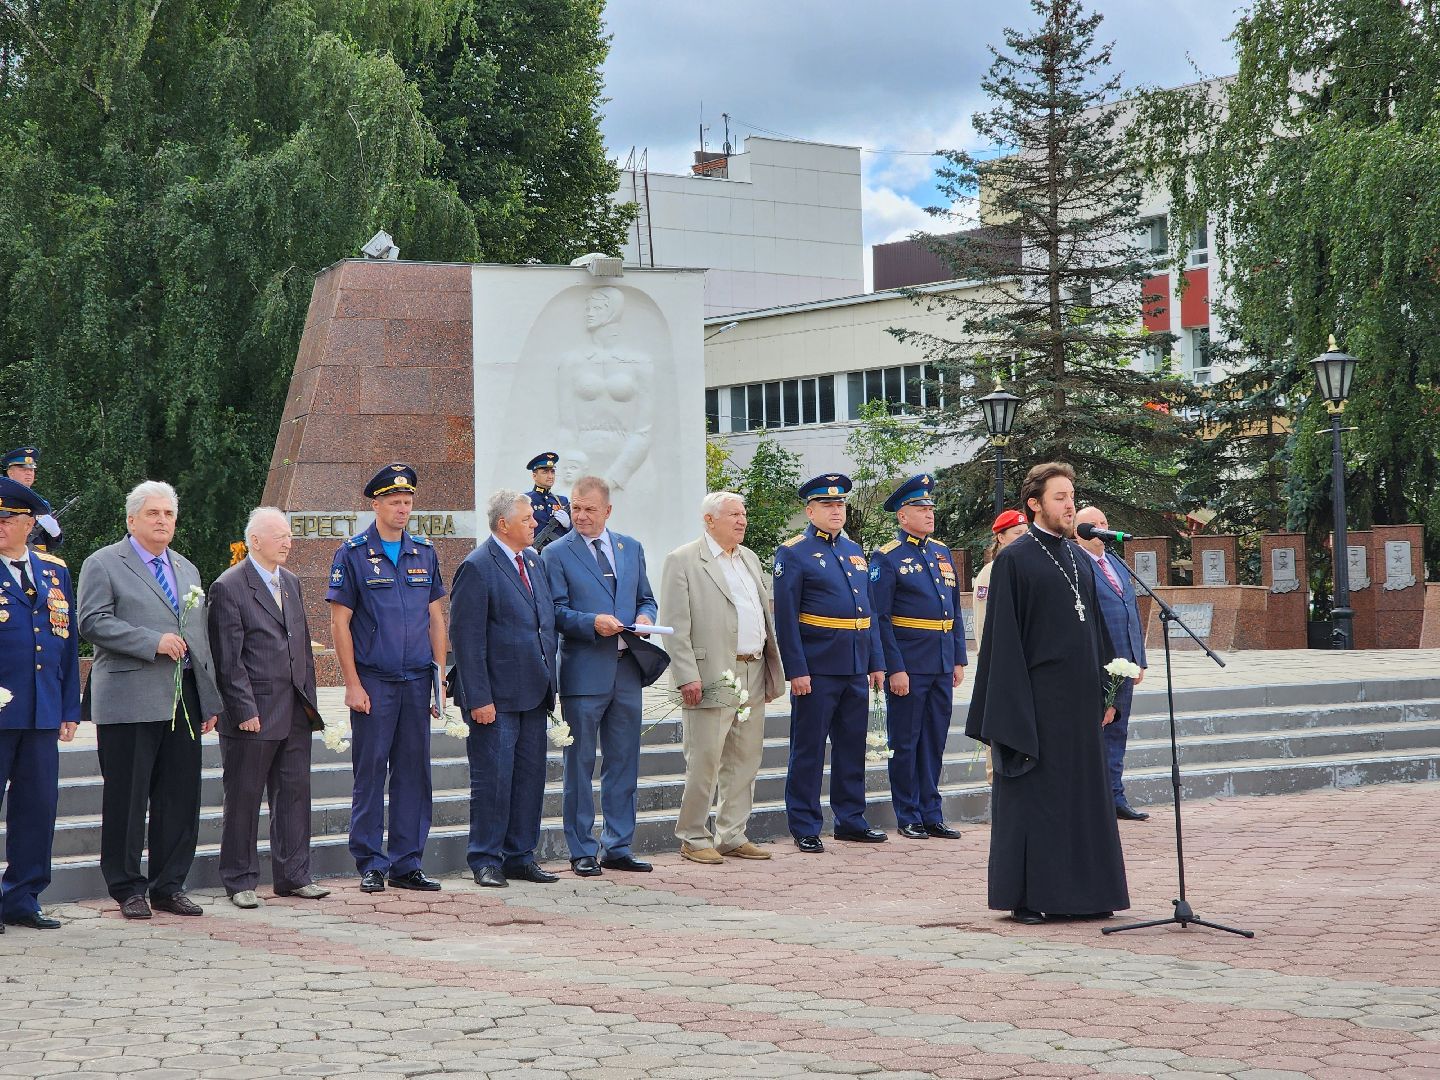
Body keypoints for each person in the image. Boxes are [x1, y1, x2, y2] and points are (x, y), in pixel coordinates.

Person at [964, 462, 1129, 925]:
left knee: (1084, 798)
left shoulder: (1079, 557)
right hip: (1035, 704)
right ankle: (1030, 895)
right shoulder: (1015, 561)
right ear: (1034, 503)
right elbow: (1003, 642)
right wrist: (1013, 713)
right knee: (1039, 800)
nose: (1070, 504)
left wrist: (1108, 689)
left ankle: (1087, 893)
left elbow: (1095, 628)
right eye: (1060, 497)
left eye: (1072, 496)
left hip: (1080, 704)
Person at [77, 480, 223, 920]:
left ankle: (168, 885)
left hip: (183, 700)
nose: (162, 521)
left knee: (180, 797)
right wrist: (150, 641)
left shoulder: (187, 569)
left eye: (169, 515)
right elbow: (92, 621)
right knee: (128, 796)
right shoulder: (103, 563)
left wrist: (209, 699)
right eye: (153, 514)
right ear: (131, 520)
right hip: (128, 696)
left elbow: (199, 637)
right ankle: (127, 887)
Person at [326, 464, 447, 894]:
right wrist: (352, 683)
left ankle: (407, 862)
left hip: (416, 680)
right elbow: (340, 623)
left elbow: (435, 618)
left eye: (408, 501)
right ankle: (370, 862)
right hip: (374, 682)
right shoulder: (354, 553)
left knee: (415, 773)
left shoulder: (424, 552)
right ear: (375, 504)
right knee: (371, 771)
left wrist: (439, 678)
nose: (402, 508)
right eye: (394, 501)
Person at [207, 507, 330, 908]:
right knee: (244, 797)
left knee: (294, 794)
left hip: (293, 710)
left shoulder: (290, 582)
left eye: (289, 535)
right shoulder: (229, 586)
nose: (287, 541)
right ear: (254, 540)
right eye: (278, 535)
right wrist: (243, 710)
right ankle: (239, 880)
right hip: (253, 714)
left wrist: (308, 702)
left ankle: (294, 875)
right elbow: (229, 659)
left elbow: (302, 648)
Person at [542, 476, 658, 876]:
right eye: (575, 507)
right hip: (583, 671)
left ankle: (618, 845)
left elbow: (646, 597)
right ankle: (582, 849)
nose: (581, 515)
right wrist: (592, 622)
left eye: (590, 509)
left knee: (624, 761)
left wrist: (645, 617)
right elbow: (554, 612)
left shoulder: (631, 548)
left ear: (608, 510)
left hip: (627, 670)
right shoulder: (556, 553)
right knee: (579, 763)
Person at [660, 492, 784, 865]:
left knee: (745, 758)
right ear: (709, 520)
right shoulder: (683, 560)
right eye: (733, 514)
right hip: (711, 675)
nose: (742, 520)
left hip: (754, 668)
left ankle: (733, 834)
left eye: (743, 513)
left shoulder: (748, 558)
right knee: (705, 759)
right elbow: (675, 626)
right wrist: (686, 676)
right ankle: (694, 836)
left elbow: (760, 614)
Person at [449, 489, 560, 888]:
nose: (535, 523)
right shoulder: (478, 566)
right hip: (495, 698)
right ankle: (485, 858)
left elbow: (543, 620)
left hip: (534, 691)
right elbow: (466, 638)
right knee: (493, 780)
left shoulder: (532, 560)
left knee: (529, 779)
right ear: (503, 525)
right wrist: (479, 698)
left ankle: (519, 856)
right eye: (528, 518)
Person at [772, 474, 886, 853]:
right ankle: (805, 824)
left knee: (852, 746)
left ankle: (851, 820)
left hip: (854, 664)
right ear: (810, 510)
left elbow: (867, 610)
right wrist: (797, 670)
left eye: (840, 505)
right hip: (818, 667)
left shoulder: (854, 549)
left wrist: (875, 662)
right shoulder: (794, 552)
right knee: (808, 748)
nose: (836, 510)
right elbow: (786, 618)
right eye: (827, 505)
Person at [870, 474, 967, 841]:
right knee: (907, 741)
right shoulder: (887, 557)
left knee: (934, 741)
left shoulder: (940, 552)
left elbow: (954, 610)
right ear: (901, 516)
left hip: (941, 663)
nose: (929, 514)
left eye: (930, 508)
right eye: (920, 508)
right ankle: (907, 813)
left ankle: (932, 812)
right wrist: (895, 667)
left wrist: (958, 658)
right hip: (909, 665)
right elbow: (881, 618)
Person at [0, 478, 78, 930]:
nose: (1, 527)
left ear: (29, 524)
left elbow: (65, 644)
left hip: (41, 711)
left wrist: (70, 708)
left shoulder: (53, 571)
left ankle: (23, 897)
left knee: (37, 807)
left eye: (8, 520)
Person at [1075, 505, 1149, 822]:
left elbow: (1130, 612)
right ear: (1079, 531)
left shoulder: (1116, 563)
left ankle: (1115, 797)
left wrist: (1139, 659)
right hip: (1095, 665)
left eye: (1105, 521)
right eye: (1094, 524)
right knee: (1093, 736)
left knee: (1117, 733)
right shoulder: (1077, 566)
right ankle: (1092, 801)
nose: (1102, 528)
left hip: (1124, 665)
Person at [971, 508, 1028, 784]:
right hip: (999, 667)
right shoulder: (990, 573)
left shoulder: (1027, 568)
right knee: (998, 731)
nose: (1022, 538)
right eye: (1017, 534)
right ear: (1001, 538)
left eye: (1025, 533)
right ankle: (997, 787)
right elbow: (984, 625)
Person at [3, 446, 63, 553]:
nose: (29, 473)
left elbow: (50, 545)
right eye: (23, 469)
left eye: (31, 469)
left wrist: (55, 534)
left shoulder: (41, 504)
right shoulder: (3, 502)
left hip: (37, 562)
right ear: (10, 473)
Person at [526, 452, 571, 550]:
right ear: (534, 476)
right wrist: (525, 549)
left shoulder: (562, 501)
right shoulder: (525, 500)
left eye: (552, 471)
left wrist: (568, 525)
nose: (550, 476)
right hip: (534, 554)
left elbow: (575, 534)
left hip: (559, 555)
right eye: (545, 472)